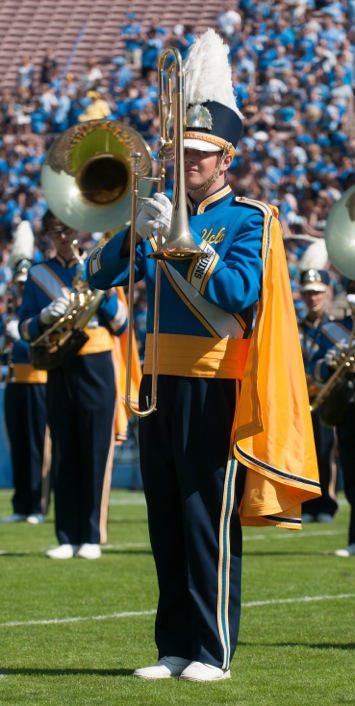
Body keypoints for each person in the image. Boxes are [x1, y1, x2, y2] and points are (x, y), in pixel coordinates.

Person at [86, 29, 320, 681]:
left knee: (202, 517)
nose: (190, 163)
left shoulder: (249, 218)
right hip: (156, 382)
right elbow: (101, 278)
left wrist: (182, 243)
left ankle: (211, 649)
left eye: (202, 155)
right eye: (182, 152)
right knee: (164, 518)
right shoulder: (156, 209)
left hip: (214, 384)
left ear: (225, 158)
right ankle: (173, 646)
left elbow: (239, 290)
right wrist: (134, 225)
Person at [19, 210, 130, 560]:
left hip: (97, 363)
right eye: (55, 233)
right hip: (59, 361)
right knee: (65, 449)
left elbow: (122, 324)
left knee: (96, 448)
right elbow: (23, 329)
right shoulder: (38, 275)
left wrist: (104, 291)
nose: (63, 238)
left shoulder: (99, 267)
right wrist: (44, 317)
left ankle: (92, 535)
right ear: (48, 237)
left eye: (66, 231)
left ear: (78, 231)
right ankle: (66, 535)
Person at [0, 220, 50, 523]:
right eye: (18, 284)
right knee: (17, 443)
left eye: (23, 284)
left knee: (35, 445)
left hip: (38, 380)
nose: (20, 288)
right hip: (16, 380)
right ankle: (21, 504)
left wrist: (21, 334)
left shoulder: (36, 305)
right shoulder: (12, 308)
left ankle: (36, 504)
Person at [308, 279, 355, 557]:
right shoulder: (333, 330)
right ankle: (353, 540)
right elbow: (315, 368)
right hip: (348, 409)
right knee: (352, 475)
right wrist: (331, 364)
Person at [298, 268, 338, 523]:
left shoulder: (335, 328)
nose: (314, 298)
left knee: (325, 452)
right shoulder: (295, 326)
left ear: (327, 294)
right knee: (301, 455)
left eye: (318, 293)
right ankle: (306, 503)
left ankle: (327, 503)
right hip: (300, 400)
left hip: (326, 398)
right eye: (309, 293)